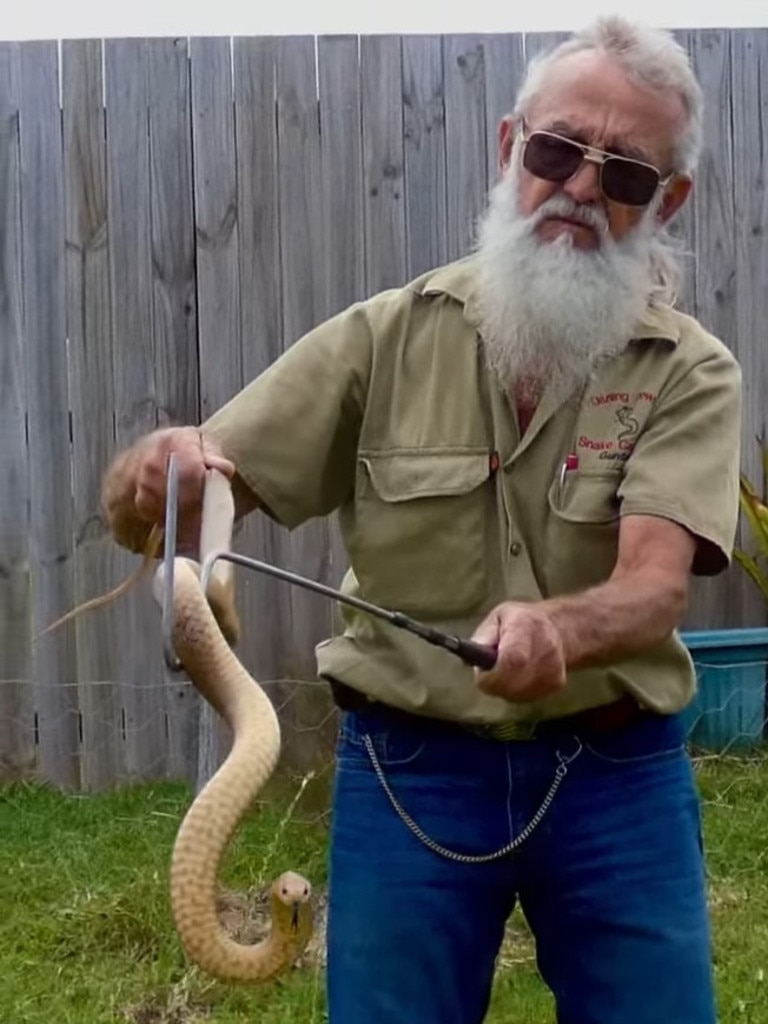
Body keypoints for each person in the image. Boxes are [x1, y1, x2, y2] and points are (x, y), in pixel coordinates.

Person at [102, 16, 742, 1024]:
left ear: (669, 201)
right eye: (557, 149)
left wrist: (559, 631)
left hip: (615, 776)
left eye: (625, 176)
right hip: (411, 774)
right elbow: (180, 500)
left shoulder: (691, 370)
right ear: (507, 149)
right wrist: (152, 475)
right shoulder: (384, 337)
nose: (580, 187)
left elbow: (657, 584)